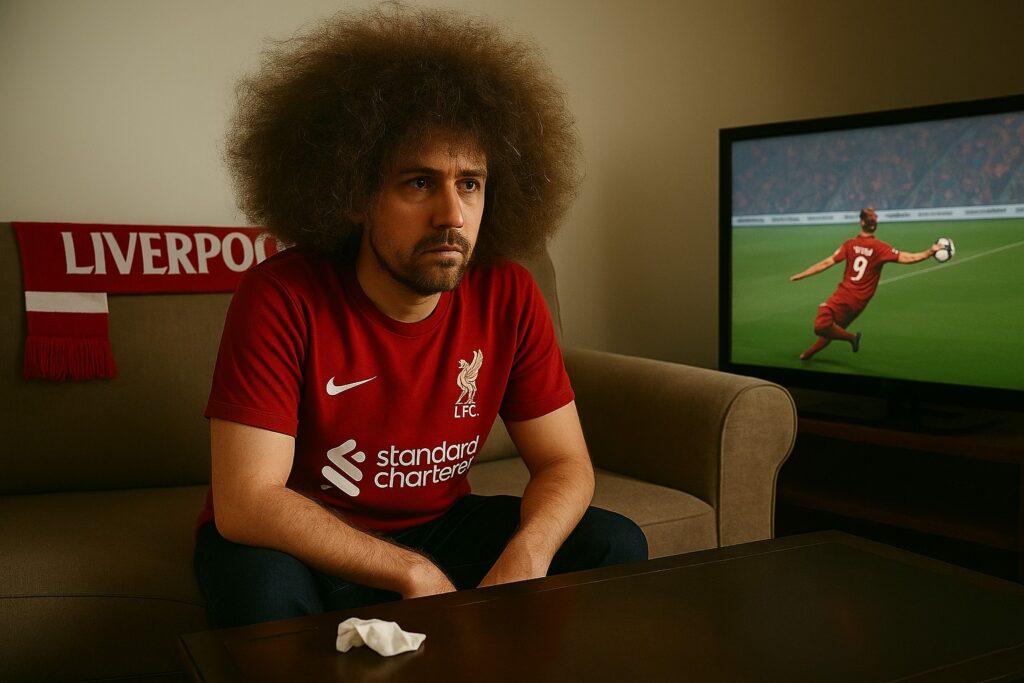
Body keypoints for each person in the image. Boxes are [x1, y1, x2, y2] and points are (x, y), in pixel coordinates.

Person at [193, 4, 648, 628]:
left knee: (613, 543)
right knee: (262, 596)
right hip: (301, 541)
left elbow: (565, 463)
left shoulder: (509, 293)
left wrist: (529, 553)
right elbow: (247, 501)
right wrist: (411, 572)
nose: (452, 215)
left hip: (440, 525)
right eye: (418, 183)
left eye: (470, 184)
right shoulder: (281, 295)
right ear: (354, 195)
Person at [790, 207, 943, 361]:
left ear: (861, 222)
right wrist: (929, 252)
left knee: (821, 324)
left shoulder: (850, 244)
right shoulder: (880, 247)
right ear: (874, 225)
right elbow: (908, 258)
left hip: (844, 295)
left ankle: (852, 337)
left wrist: (802, 275)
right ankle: (808, 354)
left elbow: (826, 263)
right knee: (833, 329)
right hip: (860, 303)